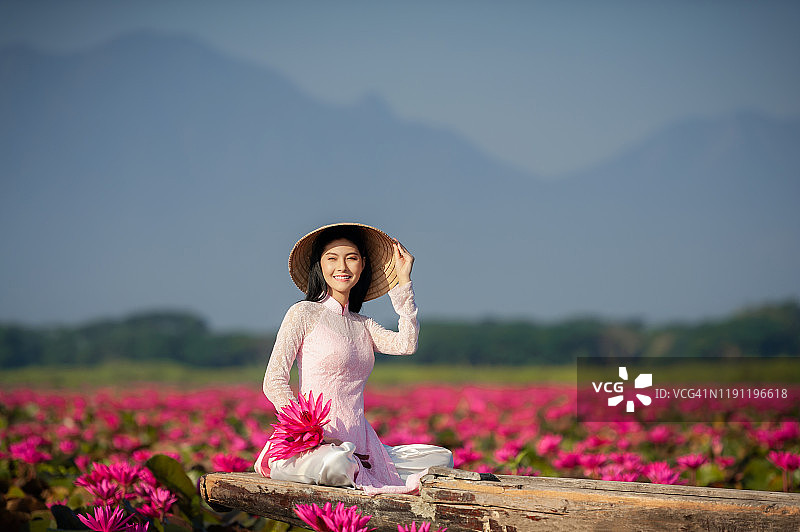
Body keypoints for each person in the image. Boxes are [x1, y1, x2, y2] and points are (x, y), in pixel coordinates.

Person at [254, 223, 453, 495]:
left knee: (441, 459)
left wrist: (403, 282)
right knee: (337, 464)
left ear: (363, 265)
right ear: (319, 266)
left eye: (351, 258)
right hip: (310, 443)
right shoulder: (303, 313)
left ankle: (360, 462)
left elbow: (406, 345)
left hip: (360, 441)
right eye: (332, 258)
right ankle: (311, 460)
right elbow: (274, 382)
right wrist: (312, 431)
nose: (342, 267)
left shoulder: (364, 324)